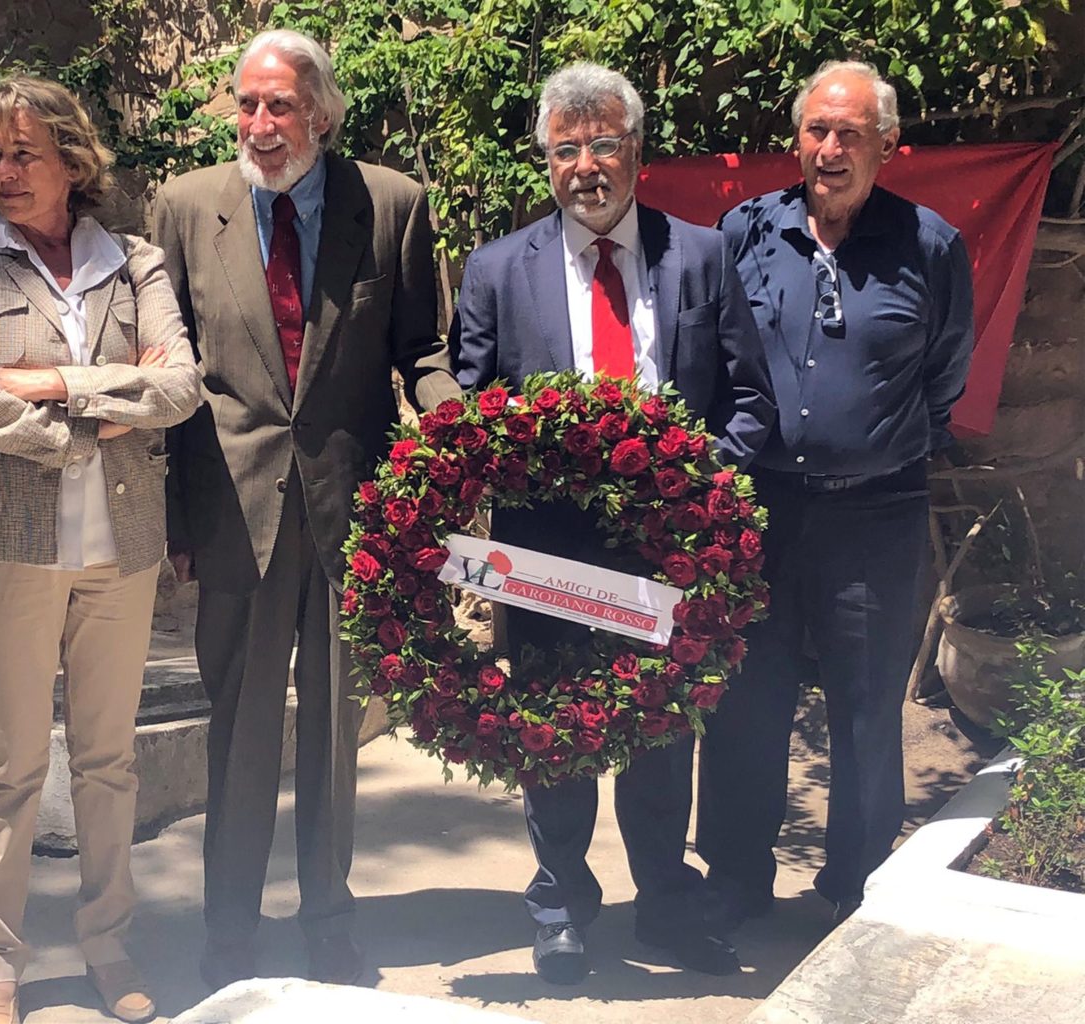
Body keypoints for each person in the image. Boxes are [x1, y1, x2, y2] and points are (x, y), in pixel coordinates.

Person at [451, 62, 776, 983]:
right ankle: (560, 904)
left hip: (666, 550)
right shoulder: (496, 270)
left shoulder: (702, 257)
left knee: (661, 738)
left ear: (635, 151)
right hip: (546, 550)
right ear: (546, 161)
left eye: (602, 145)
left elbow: (750, 401)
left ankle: (664, 905)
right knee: (554, 731)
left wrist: (700, 490)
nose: (585, 166)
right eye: (566, 150)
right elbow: (470, 410)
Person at [152, 29, 459, 988]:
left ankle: (328, 916)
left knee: (334, 733)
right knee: (240, 730)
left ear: (321, 113)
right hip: (232, 511)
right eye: (246, 104)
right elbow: (163, 370)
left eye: (279, 105)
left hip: (350, 513)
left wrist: (464, 433)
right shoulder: (184, 206)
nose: (259, 124)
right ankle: (229, 930)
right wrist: (172, 523)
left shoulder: (390, 204)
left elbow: (422, 351)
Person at [0, 76, 201, 1024]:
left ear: (72, 163)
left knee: (108, 760)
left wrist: (50, 385)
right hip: (5, 543)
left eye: (24, 154)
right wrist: (107, 401)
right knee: (8, 768)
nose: (4, 172)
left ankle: (107, 945)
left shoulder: (134, 262)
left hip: (121, 546)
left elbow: (182, 386)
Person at [696, 61, 974, 929]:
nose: (830, 148)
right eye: (817, 129)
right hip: (761, 508)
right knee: (746, 695)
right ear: (798, 138)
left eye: (851, 133)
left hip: (876, 511)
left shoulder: (929, 244)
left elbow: (946, 370)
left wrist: (878, 436)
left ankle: (857, 883)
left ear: (888, 145)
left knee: (865, 700)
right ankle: (736, 878)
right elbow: (714, 358)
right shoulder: (745, 231)